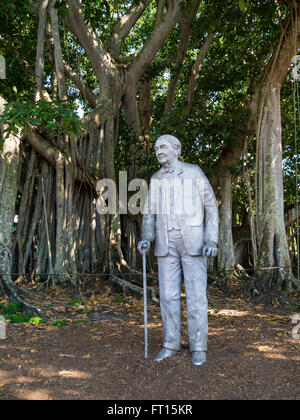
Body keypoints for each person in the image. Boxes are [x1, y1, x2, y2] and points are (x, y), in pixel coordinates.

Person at [138, 134, 218, 366]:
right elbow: (149, 212)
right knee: (167, 296)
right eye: (156, 148)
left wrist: (211, 240)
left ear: (176, 149)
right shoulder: (155, 178)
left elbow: (211, 207)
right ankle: (170, 343)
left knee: (196, 296)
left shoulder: (193, 172)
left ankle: (199, 346)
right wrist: (147, 237)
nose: (158, 151)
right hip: (165, 242)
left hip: (193, 241)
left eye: (163, 147)